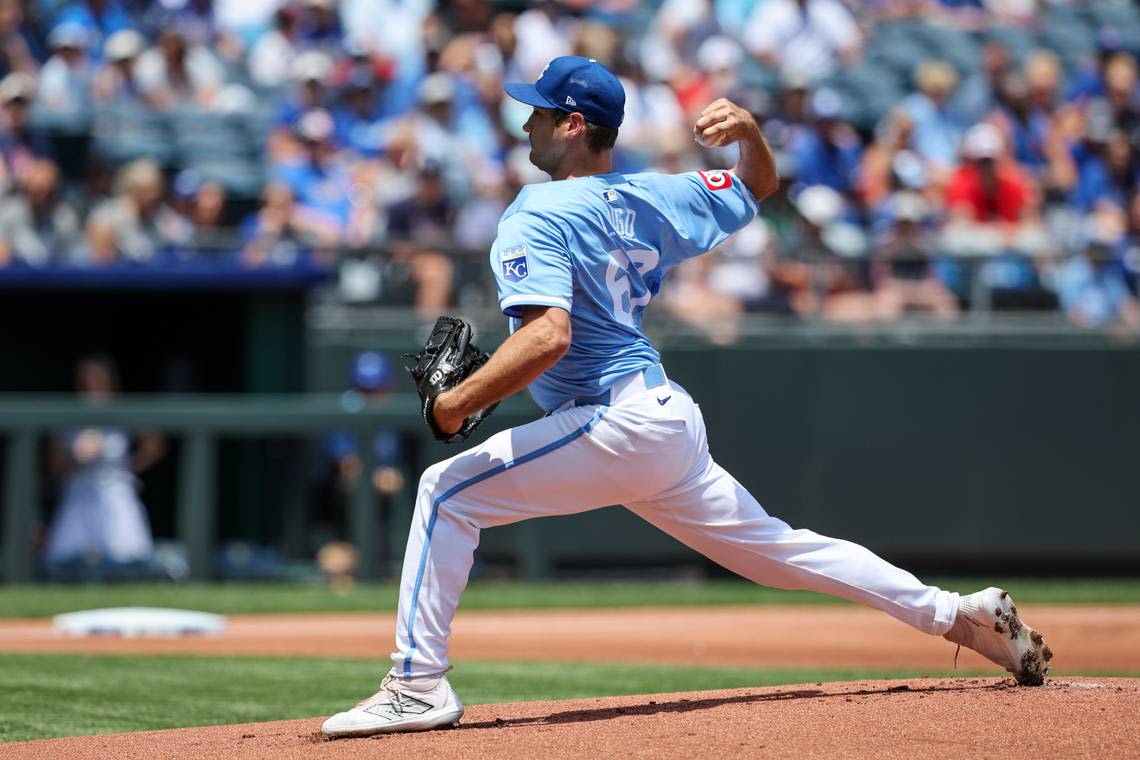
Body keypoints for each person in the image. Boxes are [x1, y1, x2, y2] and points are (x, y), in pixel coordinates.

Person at [321, 56, 1053, 739]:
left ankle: (417, 684)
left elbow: (549, 339)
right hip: (660, 417)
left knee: (445, 492)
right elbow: (757, 185)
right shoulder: (652, 195)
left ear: (574, 125)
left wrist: (453, 406)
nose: (526, 125)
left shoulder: (533, 213)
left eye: (541, 114)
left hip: (617, 419)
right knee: (779, 551)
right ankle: (958, 615)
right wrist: (753, 135)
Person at [42, 354, 166, 580]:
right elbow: (55, 471)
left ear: (109, 383)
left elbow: (154, 445)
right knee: (64, 565)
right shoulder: (67, 415)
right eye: (85, 383)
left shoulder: (122, 410)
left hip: (116, 495)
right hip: (78, 496)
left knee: (129, 561)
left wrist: (127, 468)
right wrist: (76, 457)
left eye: (97, 382)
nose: (91, 389)